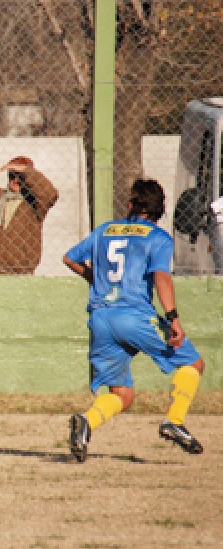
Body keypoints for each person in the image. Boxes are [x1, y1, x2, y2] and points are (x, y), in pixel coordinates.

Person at [64, 178, 205, 463]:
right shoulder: (158, 238)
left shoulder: (105, 230)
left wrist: (94, 279)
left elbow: (69, 258)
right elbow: (161, 277)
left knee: (122, 395)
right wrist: (173, 318)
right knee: (193, 364)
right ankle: (174, 421)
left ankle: (87, 421)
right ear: (161, 209)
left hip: (101, 318)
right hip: (135, 316)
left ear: (130, 205)